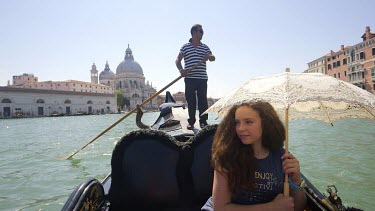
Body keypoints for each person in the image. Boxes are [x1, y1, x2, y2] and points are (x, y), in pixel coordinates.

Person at [201, 102, 307, 211]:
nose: (240, 128)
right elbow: (220, 208)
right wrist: (272, 207)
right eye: (237, 122)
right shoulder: (227, 156)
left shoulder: (281, 157)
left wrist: (296, 181)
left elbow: (297, 207)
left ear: (266, 123)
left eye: (248, 122)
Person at [175, 24, 215, 130]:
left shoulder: (205, 47)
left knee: (202, 100)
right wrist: (181, 70)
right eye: (200, 31)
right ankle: (191, 122)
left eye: (202, 32)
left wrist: (209, 56)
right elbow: (178, 60)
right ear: (193, 32)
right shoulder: (185, 47)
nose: (202, 33)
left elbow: (213, 58)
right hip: (190, 78)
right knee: (191, 100)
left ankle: (203, 121)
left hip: (202, 78)